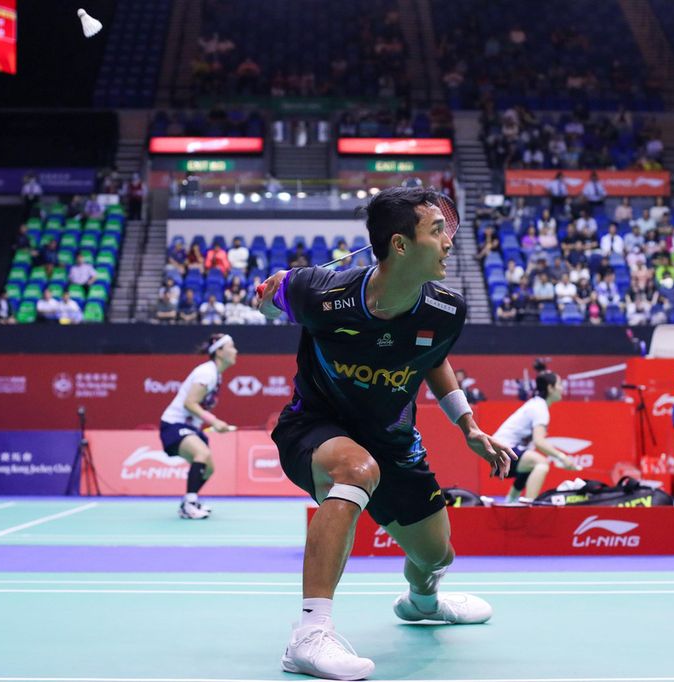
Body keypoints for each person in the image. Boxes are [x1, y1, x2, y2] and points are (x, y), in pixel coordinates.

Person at [256, 186, 514, 680]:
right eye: (437, 231)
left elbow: (432, 359)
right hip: (315, 427)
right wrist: (268, 299)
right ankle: (309, 634)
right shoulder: (319, 291)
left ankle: (421, 603)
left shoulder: (446, 310)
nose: (448, 243)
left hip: (394, 443)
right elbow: (271, 303)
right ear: (400, 245)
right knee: (354, 469)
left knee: (436, 553)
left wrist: (469, 425)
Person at [159, 333, 238, 519]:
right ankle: (190, 504)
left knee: (208, 468)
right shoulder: (207, 372)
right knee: (201, 454)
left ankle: (189, 500)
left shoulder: (216, 375)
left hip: (188, 427)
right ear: (219, 351)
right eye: (231, 346)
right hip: (173, 424)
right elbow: (189, 403)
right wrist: (215, 421)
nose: (236, 351)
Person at [492, 372, 582, 504]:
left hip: (498, 452)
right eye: (559, 384)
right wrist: (562, 457)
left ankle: (510, 502)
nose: (562, 388)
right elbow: (539, 442)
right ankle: (530, 506)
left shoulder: (536, 405)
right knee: (541, 463)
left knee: (530, 466)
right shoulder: (540, 408)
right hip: (500, 452)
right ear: (550, 388)